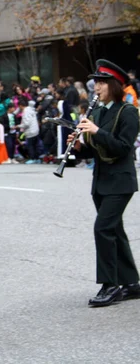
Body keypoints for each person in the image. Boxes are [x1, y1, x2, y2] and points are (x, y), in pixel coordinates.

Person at [70, 59, 140, 307]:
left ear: (115, 85)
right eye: (95, 82)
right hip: (100, 181)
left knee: (103, 229)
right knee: (114, 230)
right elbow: (95, 151)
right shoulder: (98, 111)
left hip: (121, 182)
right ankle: (132, 282)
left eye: (101, 82)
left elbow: (122, 148)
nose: (96, 87)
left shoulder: (128, 112)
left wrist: (97, 131)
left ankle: (110, 284)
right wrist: (79, 146)